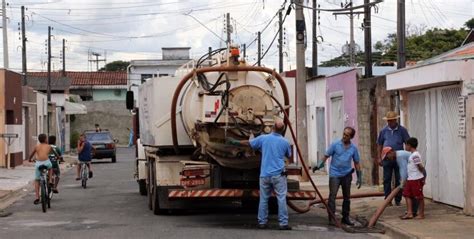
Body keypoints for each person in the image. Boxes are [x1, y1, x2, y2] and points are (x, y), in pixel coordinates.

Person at [227, 120, 292, 230]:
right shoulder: (285, 142)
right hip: (278, 175)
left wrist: (235, 142)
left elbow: (249, 143)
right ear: (282, 130)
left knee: (264, 199)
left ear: (272, 128)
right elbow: (288, 155)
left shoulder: (264, 138)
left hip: (265, 175)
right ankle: (283, 223)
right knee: (281, 198)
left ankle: (262, 222)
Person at [314, 127, 362, 226]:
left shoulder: (353, 148)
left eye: (347, 135)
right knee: (332, 196)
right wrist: (319, 164)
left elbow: (356, 162)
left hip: (347, 175)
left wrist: (359, 176)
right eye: (344, 134)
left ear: (351, 137)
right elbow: (326, 156)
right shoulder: (335, 144)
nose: (344, 136)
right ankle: (331, 218)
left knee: (347, 197)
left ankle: (345, 217)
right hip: (335, 174)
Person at [377, 111, 410, 206]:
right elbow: (379, 144)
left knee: (399, 179)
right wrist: (379, 157)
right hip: (386, 158)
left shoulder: (402, 130)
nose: (390, 122)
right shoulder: (383, 131)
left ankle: (398, 199)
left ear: (396, 120)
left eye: (392, 120)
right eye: (389, 121)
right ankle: (388, 199)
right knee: (387, 178)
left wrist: (407, 156)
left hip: (399, 158)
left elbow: (407, 143)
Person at [381, 146, 419, 217]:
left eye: (387, 156)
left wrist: (402, 181)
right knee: (410, 193)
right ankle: (412, 211)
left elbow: (403, 169)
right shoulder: (399, 155)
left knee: (409, 193)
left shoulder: (400, 156)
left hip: (415, 175)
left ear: (390, 152)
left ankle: (412, 212)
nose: (388, 159)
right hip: (413, 174)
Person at [401, 137, 426, 220]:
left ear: (409, 145)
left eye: (406, 145)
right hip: (410, 179)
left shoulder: (415, 155)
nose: (405, 147)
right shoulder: (411, 155)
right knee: (406, 194)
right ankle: (409, 212)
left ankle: (421, 214)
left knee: (419, 197)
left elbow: (420, 166)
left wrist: (423, 176)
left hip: (416, 179)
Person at [27, 134, 55, 205]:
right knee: (51, 167)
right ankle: (50, 180)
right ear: (45, 140)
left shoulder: (37, 146)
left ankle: (37, 197)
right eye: (46, 138)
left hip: (38, 163)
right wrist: (59, 157)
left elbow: (31, 155)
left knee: (37, 180)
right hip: (46, 162)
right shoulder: (49, 146)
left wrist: (29, 159)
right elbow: (56, 153)